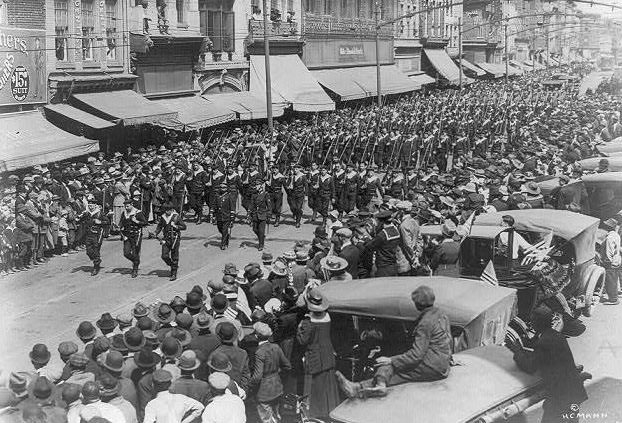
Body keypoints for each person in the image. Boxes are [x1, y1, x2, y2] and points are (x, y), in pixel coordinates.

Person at [336, 286, 451, 398]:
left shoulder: (425, 323)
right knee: (396, 367)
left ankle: (369, 386)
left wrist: (391, 359)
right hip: (442, 364)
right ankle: (365, 386)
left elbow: (416, 355)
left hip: (432, 367)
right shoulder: (442, 314)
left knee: (388, 365)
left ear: (417, 305)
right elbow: (448, 339)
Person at [509, 307, 588, 423]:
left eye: (533, 321)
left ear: (537, 323)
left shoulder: (544, 342)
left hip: (561, 397)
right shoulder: (555, 335)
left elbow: (530, 367)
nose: (531, 323)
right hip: (572, 392)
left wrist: (517, 351)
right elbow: (538, 342)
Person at [296, 289, 340, 419]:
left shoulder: (307, 321)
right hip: (328, 355)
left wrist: (299, 329)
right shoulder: (328, 317)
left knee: (314, 388)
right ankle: (330, 411)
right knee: (329, 386)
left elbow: (302, 340)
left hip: (314, 357)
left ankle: (314, 414)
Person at [250, 322, 291, 423]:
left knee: (265, 419)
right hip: (277, 387)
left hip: (264, 391)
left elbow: (257, 377)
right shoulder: (276, 347)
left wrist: (249, 384)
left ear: (256, 336)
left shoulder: (259, 352)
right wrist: (276, 373)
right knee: (276, 416)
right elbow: (287, 366)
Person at [154, 202, 186, 281]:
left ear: (171, 210)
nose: (166, 212)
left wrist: (176, 226)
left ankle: (173, 273)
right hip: (166, 239)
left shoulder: (176, 217)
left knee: (174, 256)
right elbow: (160, 226)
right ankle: (173, 265)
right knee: (164, 256)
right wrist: (155, 233)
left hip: (174, 238)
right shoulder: (163, 217)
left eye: (168, 210)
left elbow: (184, 227)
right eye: (165, 210)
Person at [119, 200, 148, 278]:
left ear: (132, 205)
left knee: (135, 252)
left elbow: (145, 223)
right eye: (125, 206)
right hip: (127, 235)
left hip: (136, 235)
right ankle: (136, 261)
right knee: (126, 253)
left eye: (127, 206)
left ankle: (135, 269)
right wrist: (119, 227)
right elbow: (121, 223)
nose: (126, 207)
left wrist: (136, 221)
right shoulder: (124, 213)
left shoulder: (138, 213)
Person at [367, 210, 400, 277]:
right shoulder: (396, 230)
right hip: (393, 264)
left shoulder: (383, 234)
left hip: (383, 267)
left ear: (381, 222)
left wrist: (366, 236)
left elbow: (369, 246)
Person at [82, 201, 108, 276]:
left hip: (97, 234)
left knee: (96, 250)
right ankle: (97, 260)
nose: (90, 207)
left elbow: (107, 221)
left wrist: (100, 222)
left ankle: (96, 267)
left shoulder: (100, 213)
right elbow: (81, 220)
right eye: (89, 206)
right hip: (88, 234)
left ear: (95, 206)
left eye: (92, 206)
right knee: (88, 251)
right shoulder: (86, 213)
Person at [601, 218, 620, 305]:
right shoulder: (616, 235)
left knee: (610, 280)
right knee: (614, 280)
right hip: (616, 261)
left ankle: (613, 299)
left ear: (608, 227)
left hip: (610, 262)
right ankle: (614, 297)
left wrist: (606, 262)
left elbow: (609, 252)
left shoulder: (609, 237)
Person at [250, 181, 270, 251]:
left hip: (262, 214)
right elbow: (251, 204)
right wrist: (249, 213)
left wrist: (268, 215)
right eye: (255, 185)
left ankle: (261, 244)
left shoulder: (265, 194)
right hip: (255, 214)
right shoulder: (254, 195)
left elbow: (269, 206)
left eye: (257, 185)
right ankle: (262, 237)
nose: (256, 187)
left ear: (261, 186)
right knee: (255, 229)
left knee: (261, 231)